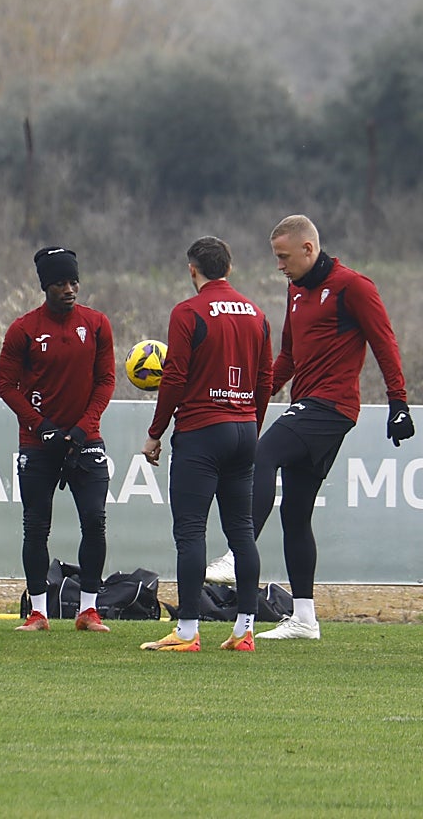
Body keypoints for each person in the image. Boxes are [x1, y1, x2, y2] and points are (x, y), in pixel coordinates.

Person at [232, 214, 416, 641]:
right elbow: (288, 358)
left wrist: (398, 402)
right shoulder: (295, 289)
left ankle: (237, 551)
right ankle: (304, 619)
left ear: (308, 249)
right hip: (307, 404)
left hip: (332, 407)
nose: (279, 264)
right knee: (296, 514)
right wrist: (256, 399)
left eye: (283, 256)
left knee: (263, 454)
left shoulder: (355, 286)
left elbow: (384, 342)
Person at [139, 236, 274, 652]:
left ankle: (187, 632)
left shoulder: (188, 312)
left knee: (191, 533)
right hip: (243, 431)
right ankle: (244, 632)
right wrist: (251, 423)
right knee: (243, 532)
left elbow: (175, 377)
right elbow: (265, 379)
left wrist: (156, 431)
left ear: (192, 270)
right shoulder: (257, 313)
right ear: (229, 269)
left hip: (201, 432)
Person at [0, 247, 115, 634]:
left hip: (86, 439)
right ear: (45, 287)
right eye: (61, 283)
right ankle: (38, 613)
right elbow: (7, 386)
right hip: (38, 443)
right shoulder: (24, 329)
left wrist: (83, 427)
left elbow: (105, 382)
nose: (69, 289)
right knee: (35, 527)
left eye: (74, 282)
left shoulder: (97, 324)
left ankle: (89, 610)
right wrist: (41, 426)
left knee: (95, 522)